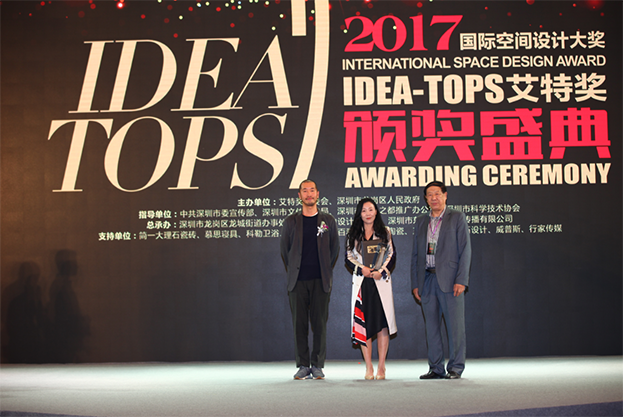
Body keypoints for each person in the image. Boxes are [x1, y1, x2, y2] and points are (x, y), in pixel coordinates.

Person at [411, 181, 471, 379]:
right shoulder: (421, 221)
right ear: (426, 199)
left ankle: (455, 368)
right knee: (432, 328)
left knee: (455, 328)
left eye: (437, 193)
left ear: (445, 195)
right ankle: (435, 368)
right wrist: (416, 283)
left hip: (451, 280)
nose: (434, 198)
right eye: (430, 195)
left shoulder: (457, 217)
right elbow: (415, 255)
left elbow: (465, 250)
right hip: (427, 279)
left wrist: (461, 279)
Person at [280, 179, 339, 380]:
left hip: (321, 281)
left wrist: (324, 268)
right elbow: (285, 250)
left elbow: (334, 249)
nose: (308, 194)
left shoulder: (328, 221)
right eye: (304, 191)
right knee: (300, 326)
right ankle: (303, 365)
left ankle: (318, 365)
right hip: (297, 282)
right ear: (299, 196)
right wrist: (295, 269)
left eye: (312, 190)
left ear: (317, 194)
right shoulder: (290, 222)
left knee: (319, 325)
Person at [345, 198, 396, 380]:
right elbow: (348, 257)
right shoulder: (353, 234)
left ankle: (381, 367)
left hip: (379, 282)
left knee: (382, 325)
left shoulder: (385, 232)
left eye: (371, 209)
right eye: (364, 210)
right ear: (360, 213)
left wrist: (381, 272)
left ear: (376, 212)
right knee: (363, 324)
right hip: (363, 284)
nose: (368, 213)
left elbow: (391, 254)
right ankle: (369, 367)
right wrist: (362, 269)